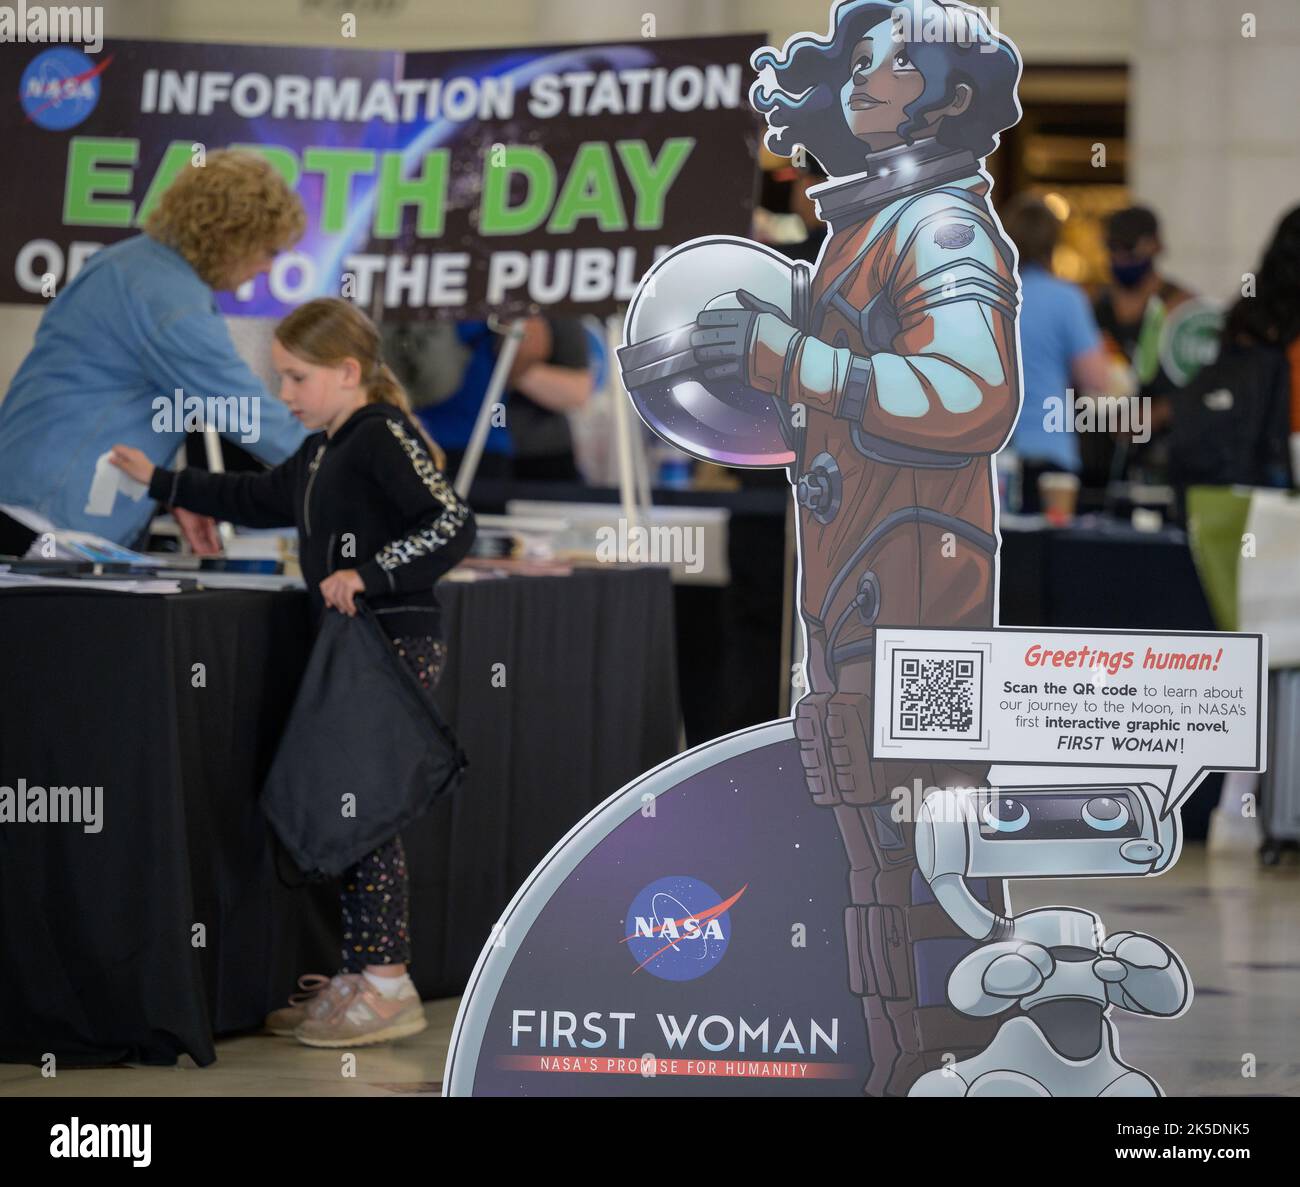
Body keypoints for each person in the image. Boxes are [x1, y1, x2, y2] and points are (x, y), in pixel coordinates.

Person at [109, 297, 476, 1047]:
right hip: (354, 650)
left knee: (363, 813)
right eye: (280, 377)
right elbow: (256, 495)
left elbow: (451, 523)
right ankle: (364, 970)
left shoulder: (380, 434)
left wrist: (368, 573)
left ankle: (386, 982)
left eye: (296, 378)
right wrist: (165, 485)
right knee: (346, 809)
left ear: (348, 371)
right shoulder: (323, 448)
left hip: (389, 645)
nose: (284, 395)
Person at [0, 149, 308, 550]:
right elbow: (255, 420)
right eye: (268, 251)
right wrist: (355, 456)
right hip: (48, 523)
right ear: (231, 236)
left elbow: (118, 398)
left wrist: (171, 493)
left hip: (26, 500)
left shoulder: (125, 264)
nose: (268, 268)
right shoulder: (172, 306)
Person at [1002, 195, 1112, 511]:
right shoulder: (1067, 300)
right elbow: (1097, 380)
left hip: (993, 458)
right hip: (1051, 454)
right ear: (1053, 243)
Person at [1092, 205, 1197, 484]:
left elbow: (1206, 388)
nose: (1120, 257)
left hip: (1162, 457)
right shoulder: (1095, 308)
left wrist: (1159, 412)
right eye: (1113, 249)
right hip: (1099, 457)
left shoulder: (1181, 309)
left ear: (1154, 246)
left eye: (1128, 249)